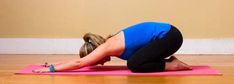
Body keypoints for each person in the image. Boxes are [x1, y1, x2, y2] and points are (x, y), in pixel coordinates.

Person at [33, 22, 192, 73]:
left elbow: (79, 64)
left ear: (95, 51)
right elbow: (80, 61)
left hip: (171, 37)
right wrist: (56, 63)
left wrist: (52, 69)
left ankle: (171, 64)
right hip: (169, 36)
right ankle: (170, 61)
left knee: (134, 64)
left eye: (95, 61)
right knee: (137, 60)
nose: (99, 63)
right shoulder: (110, 43)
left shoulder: (107, 46)